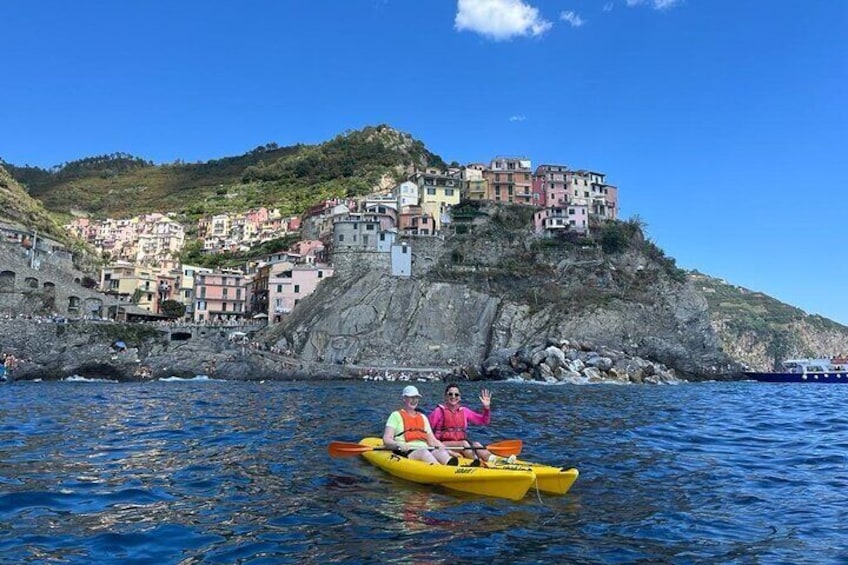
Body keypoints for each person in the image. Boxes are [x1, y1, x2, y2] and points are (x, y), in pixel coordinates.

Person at [429, 384, 511, 465]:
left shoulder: (464, 411)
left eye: (456, 394)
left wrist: (486, 408)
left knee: (476, 444)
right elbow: (426, 429)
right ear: (445, 397)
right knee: (464, 443)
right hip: (443, 444)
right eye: (450, 394)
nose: (453, 396)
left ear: (460, 397)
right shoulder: (438, 412)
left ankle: (494, 460)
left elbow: (483, 421)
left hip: (461, 445)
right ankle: (477, 462)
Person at [382, 385, 458, 465]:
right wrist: (398, 444)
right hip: (406, 450)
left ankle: (452, 466)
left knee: (440, 453)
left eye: (416, 398)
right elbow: (387, 439)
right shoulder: (395, 415)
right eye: (411, 397)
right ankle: (442, 471)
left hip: (424, 448)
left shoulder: (423, 417)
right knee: (423, 453)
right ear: (404, 398)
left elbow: (432, 441)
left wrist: (449, 451)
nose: (414, 400)